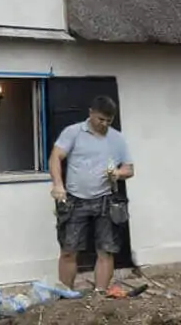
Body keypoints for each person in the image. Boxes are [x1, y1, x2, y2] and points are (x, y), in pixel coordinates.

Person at [48, 96, 134, 295]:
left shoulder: (117, 138)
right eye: (100, 119)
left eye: (108, 121)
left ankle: (99, 295)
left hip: (105, 200)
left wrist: (118, 173)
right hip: (74, 200)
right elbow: (55, 157)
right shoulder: (73, 132)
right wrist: (58, 185)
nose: (104, 124)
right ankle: (66, 295)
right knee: (69, 250)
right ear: (91, 113)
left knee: (106, 250)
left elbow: (129, 169)